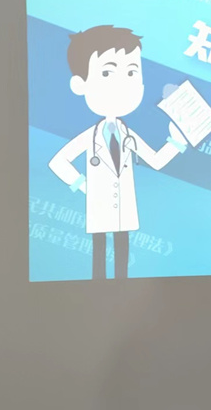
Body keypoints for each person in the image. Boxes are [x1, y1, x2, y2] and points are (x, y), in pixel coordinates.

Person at [48, 25, 188, 279]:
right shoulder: (89, 136)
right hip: (99, 206)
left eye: (132, 72)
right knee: (99, 254)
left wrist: (176, 143)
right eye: (107, 73)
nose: (121, 84)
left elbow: (155, 160)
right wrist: (84, 186)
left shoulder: (127, 134)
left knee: (123, 255)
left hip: (124, 210)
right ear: (80, 84)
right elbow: (58, 162)